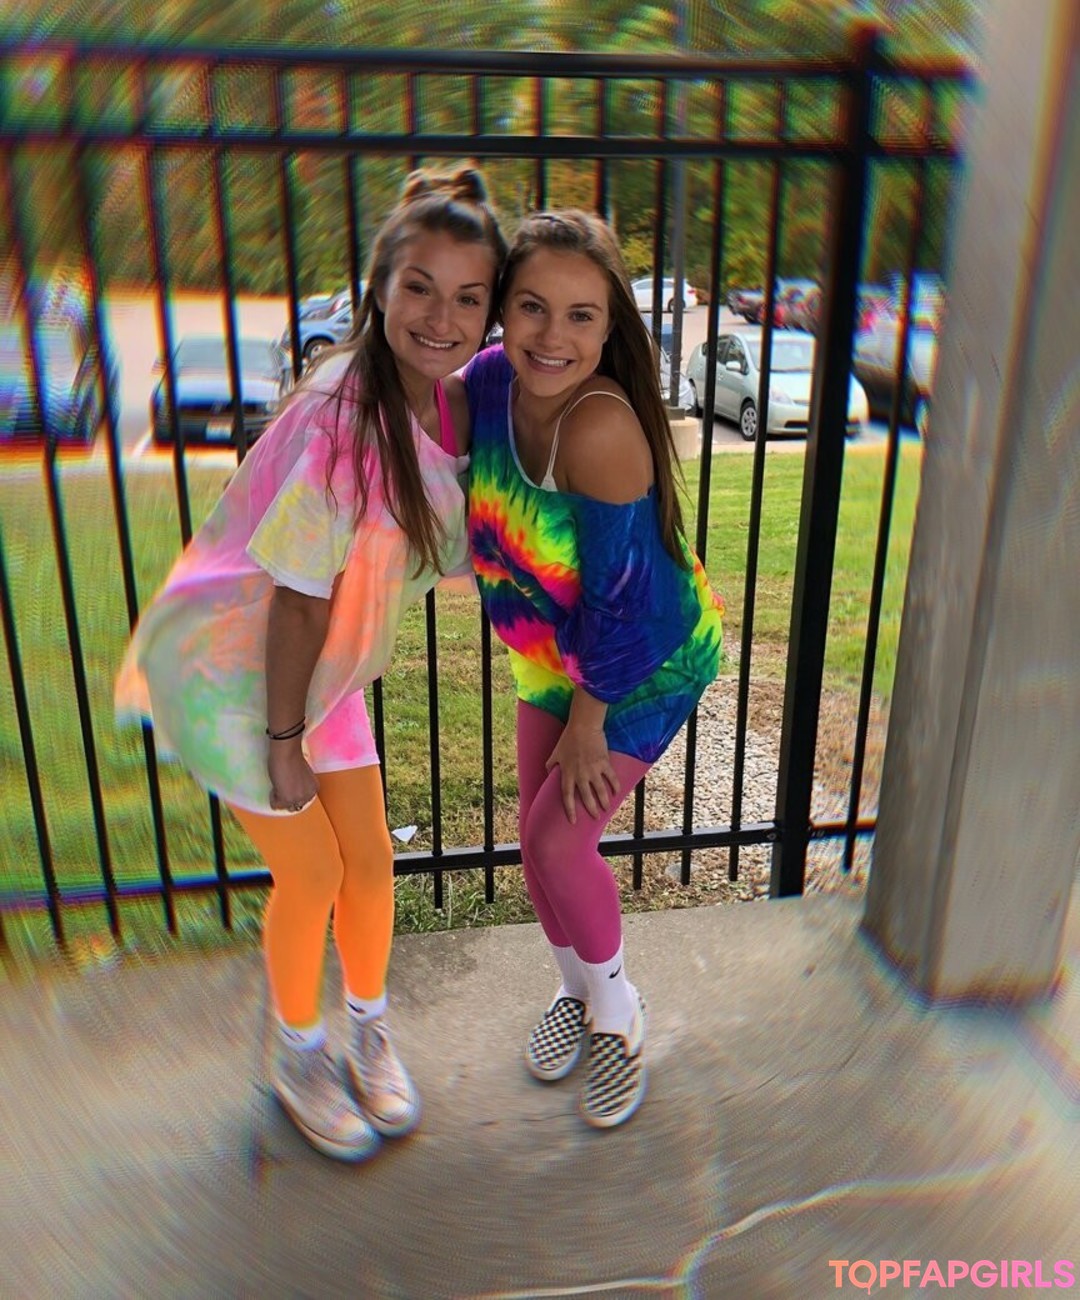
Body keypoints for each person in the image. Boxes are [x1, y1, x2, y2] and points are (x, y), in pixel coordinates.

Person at [116, 168, 506, 1161]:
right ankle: (298, 1054)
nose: (443, 317)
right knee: (315, 869)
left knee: (370, 859)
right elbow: (296, 599)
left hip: (315, 672)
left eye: (468, 297)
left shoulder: (454, 404)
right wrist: (282, 742)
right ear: (379, 286)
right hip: (235, 675)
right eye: (420, 287)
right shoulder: (346, 418)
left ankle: (368, 1032)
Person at [463, 210, 723, 1129]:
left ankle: (618, 1012)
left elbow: (625, 605)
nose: (553, 335)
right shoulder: (488, 383)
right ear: (503, 308)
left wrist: (588, 724)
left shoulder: (601, 430)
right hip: (553, 651)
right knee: (534, 840)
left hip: (642, 662)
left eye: (582, 315)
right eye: (532, 306)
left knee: (558, 841)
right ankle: (575, 991)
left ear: (610, 329)